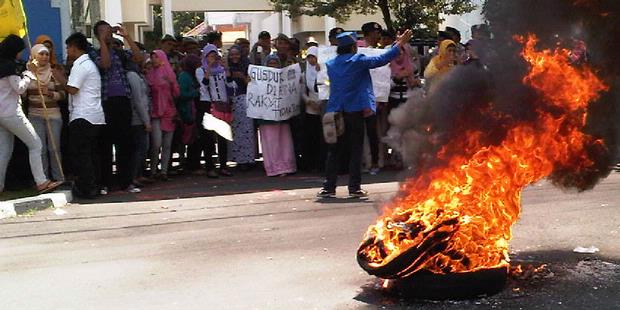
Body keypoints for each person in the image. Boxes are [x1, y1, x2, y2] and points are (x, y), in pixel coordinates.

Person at [317, 30, 412, 199]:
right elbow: (381, 59)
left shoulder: (331, 64)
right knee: (356, 149)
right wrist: (400, 44)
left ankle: (328, 187)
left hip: (336, 110)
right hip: (355, 111)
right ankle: (354, 188)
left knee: (334, 150)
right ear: (354, 46)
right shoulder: (357, 61)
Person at [0, 35, 62, 194]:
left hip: (2, 114)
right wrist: (29, 74)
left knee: (4, 151)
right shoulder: (9, 67)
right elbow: (19, 88)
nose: (20, 55)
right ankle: (41, 182)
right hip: (11, 113)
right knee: (35, 144)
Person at [90, 20, 144, 194]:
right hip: (105, 103)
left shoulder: (120, 53)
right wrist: (103, 42)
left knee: (125, 145)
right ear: (97, 35)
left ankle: (126, 182)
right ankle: (105, 182)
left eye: (109, 31)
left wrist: (127, 37)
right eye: (104, 32)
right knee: (104, 145)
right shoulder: (94, 53)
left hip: (123, 102)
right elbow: (105, 64)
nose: (109, 34)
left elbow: (139, 58)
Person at [63, 32, 106, 198]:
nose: (67, 51)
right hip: (94, 116)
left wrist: (59, 78)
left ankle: (87, 187)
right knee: (92, 154)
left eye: (68, 48)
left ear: (74, 47)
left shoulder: (80, 65)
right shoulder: (90, 65)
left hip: (83, 115)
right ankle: (95, 185)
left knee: (82, 154)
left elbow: (73, 89)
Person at [23, 44, 66, 182]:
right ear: (35, 56)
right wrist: (29, 76)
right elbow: (22, 94)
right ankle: (44, 180)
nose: (44, 57)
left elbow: (63, 94)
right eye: (41, 54)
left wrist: (51, 94)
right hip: (35, 115)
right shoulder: (27, 74)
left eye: (46, 54)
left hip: (53, 114)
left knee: (54, 148)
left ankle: (59, 178)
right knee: (39, 149)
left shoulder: (53, 73)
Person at [196, 44, 234, 176]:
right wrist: (209, 69)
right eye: (211, 56)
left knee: (223, 136)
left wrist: (227, 69)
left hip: (222, 104)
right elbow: (204, 85)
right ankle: (210, 168)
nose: (214, 59)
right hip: (207, 105)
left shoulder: (222, 70)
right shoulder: (200, 70)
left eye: (215, 56)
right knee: (208, 138)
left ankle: (223, 166)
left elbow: (230, 85)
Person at [256, 54, 297, 177]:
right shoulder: (260, 79)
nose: (273, 65)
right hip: (267, 118)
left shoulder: (285, 78)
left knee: (284, 142)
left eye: (275, 63)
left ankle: (286, 166)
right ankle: (273, 168)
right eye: (270, 63)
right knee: (271, 142)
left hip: (283, 116)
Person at [146, 50, 180, 181]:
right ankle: (153, 170)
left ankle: (164, 171)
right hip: (155, 112)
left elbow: (177, 93)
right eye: (152, 56)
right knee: (156, 143)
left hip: (169, 112)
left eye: (156, 56)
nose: (153, 59)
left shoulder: (169, 74)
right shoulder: (149, 74)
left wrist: (171, 83)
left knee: (167, 144)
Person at [227, 45, 256, 171]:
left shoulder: (247, 66)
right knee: (235, 133)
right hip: (231, 102)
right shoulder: (226, 67)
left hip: (245, 100)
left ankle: (248, 159)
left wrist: (243, 77)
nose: (234, 57)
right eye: (232, 54)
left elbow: (252, 84)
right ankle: (238, 160)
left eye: (237, 54)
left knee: (247, 131)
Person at [126, 56, 152, 190]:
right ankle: (134, 176)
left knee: (143, 148)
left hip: (141, 116)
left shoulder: (138, 75)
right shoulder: (132, 76)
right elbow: (138, 100)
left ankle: (138, 174)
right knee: (139, 149)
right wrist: (146, 121)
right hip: (137, 118)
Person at [301, 46, 325, 172]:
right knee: (312, 137)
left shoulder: (324, 71)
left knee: (323, 137)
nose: (311, 60)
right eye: (309, 57)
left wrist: (321, 102)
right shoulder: (304, 73)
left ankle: (322, 164)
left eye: (313, 57)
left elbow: (327, 87)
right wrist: (309, 101)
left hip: (322, 106)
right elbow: (302, 90)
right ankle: (312, 164)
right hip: (310, 108)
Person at [176, 54, 202, 171]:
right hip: (187, 111)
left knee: (195, 139)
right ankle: (190, 165)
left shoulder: (193, 75)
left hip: (194, 110)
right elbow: (181, 94)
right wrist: (196, 92)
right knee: (190, 139)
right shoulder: (184, 76)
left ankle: (193, 163)